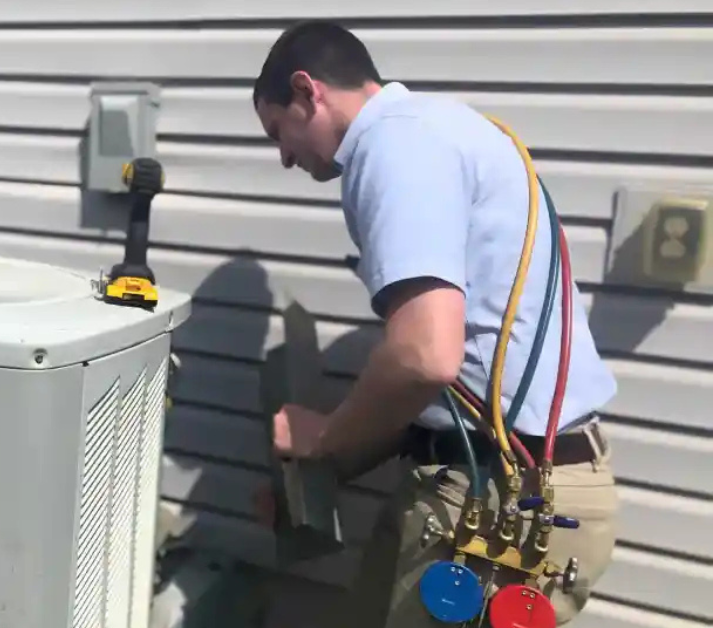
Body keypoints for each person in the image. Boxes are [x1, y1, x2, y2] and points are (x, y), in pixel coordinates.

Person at [251, 20, 620, 628]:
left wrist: (326, 438)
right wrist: (322, 476)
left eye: (277, 132)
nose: (285, 156)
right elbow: (446, 384)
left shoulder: (395, 145)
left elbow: (425, 355)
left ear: (306, 90)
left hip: (506, 500)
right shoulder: (442, 129)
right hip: (476, 484)